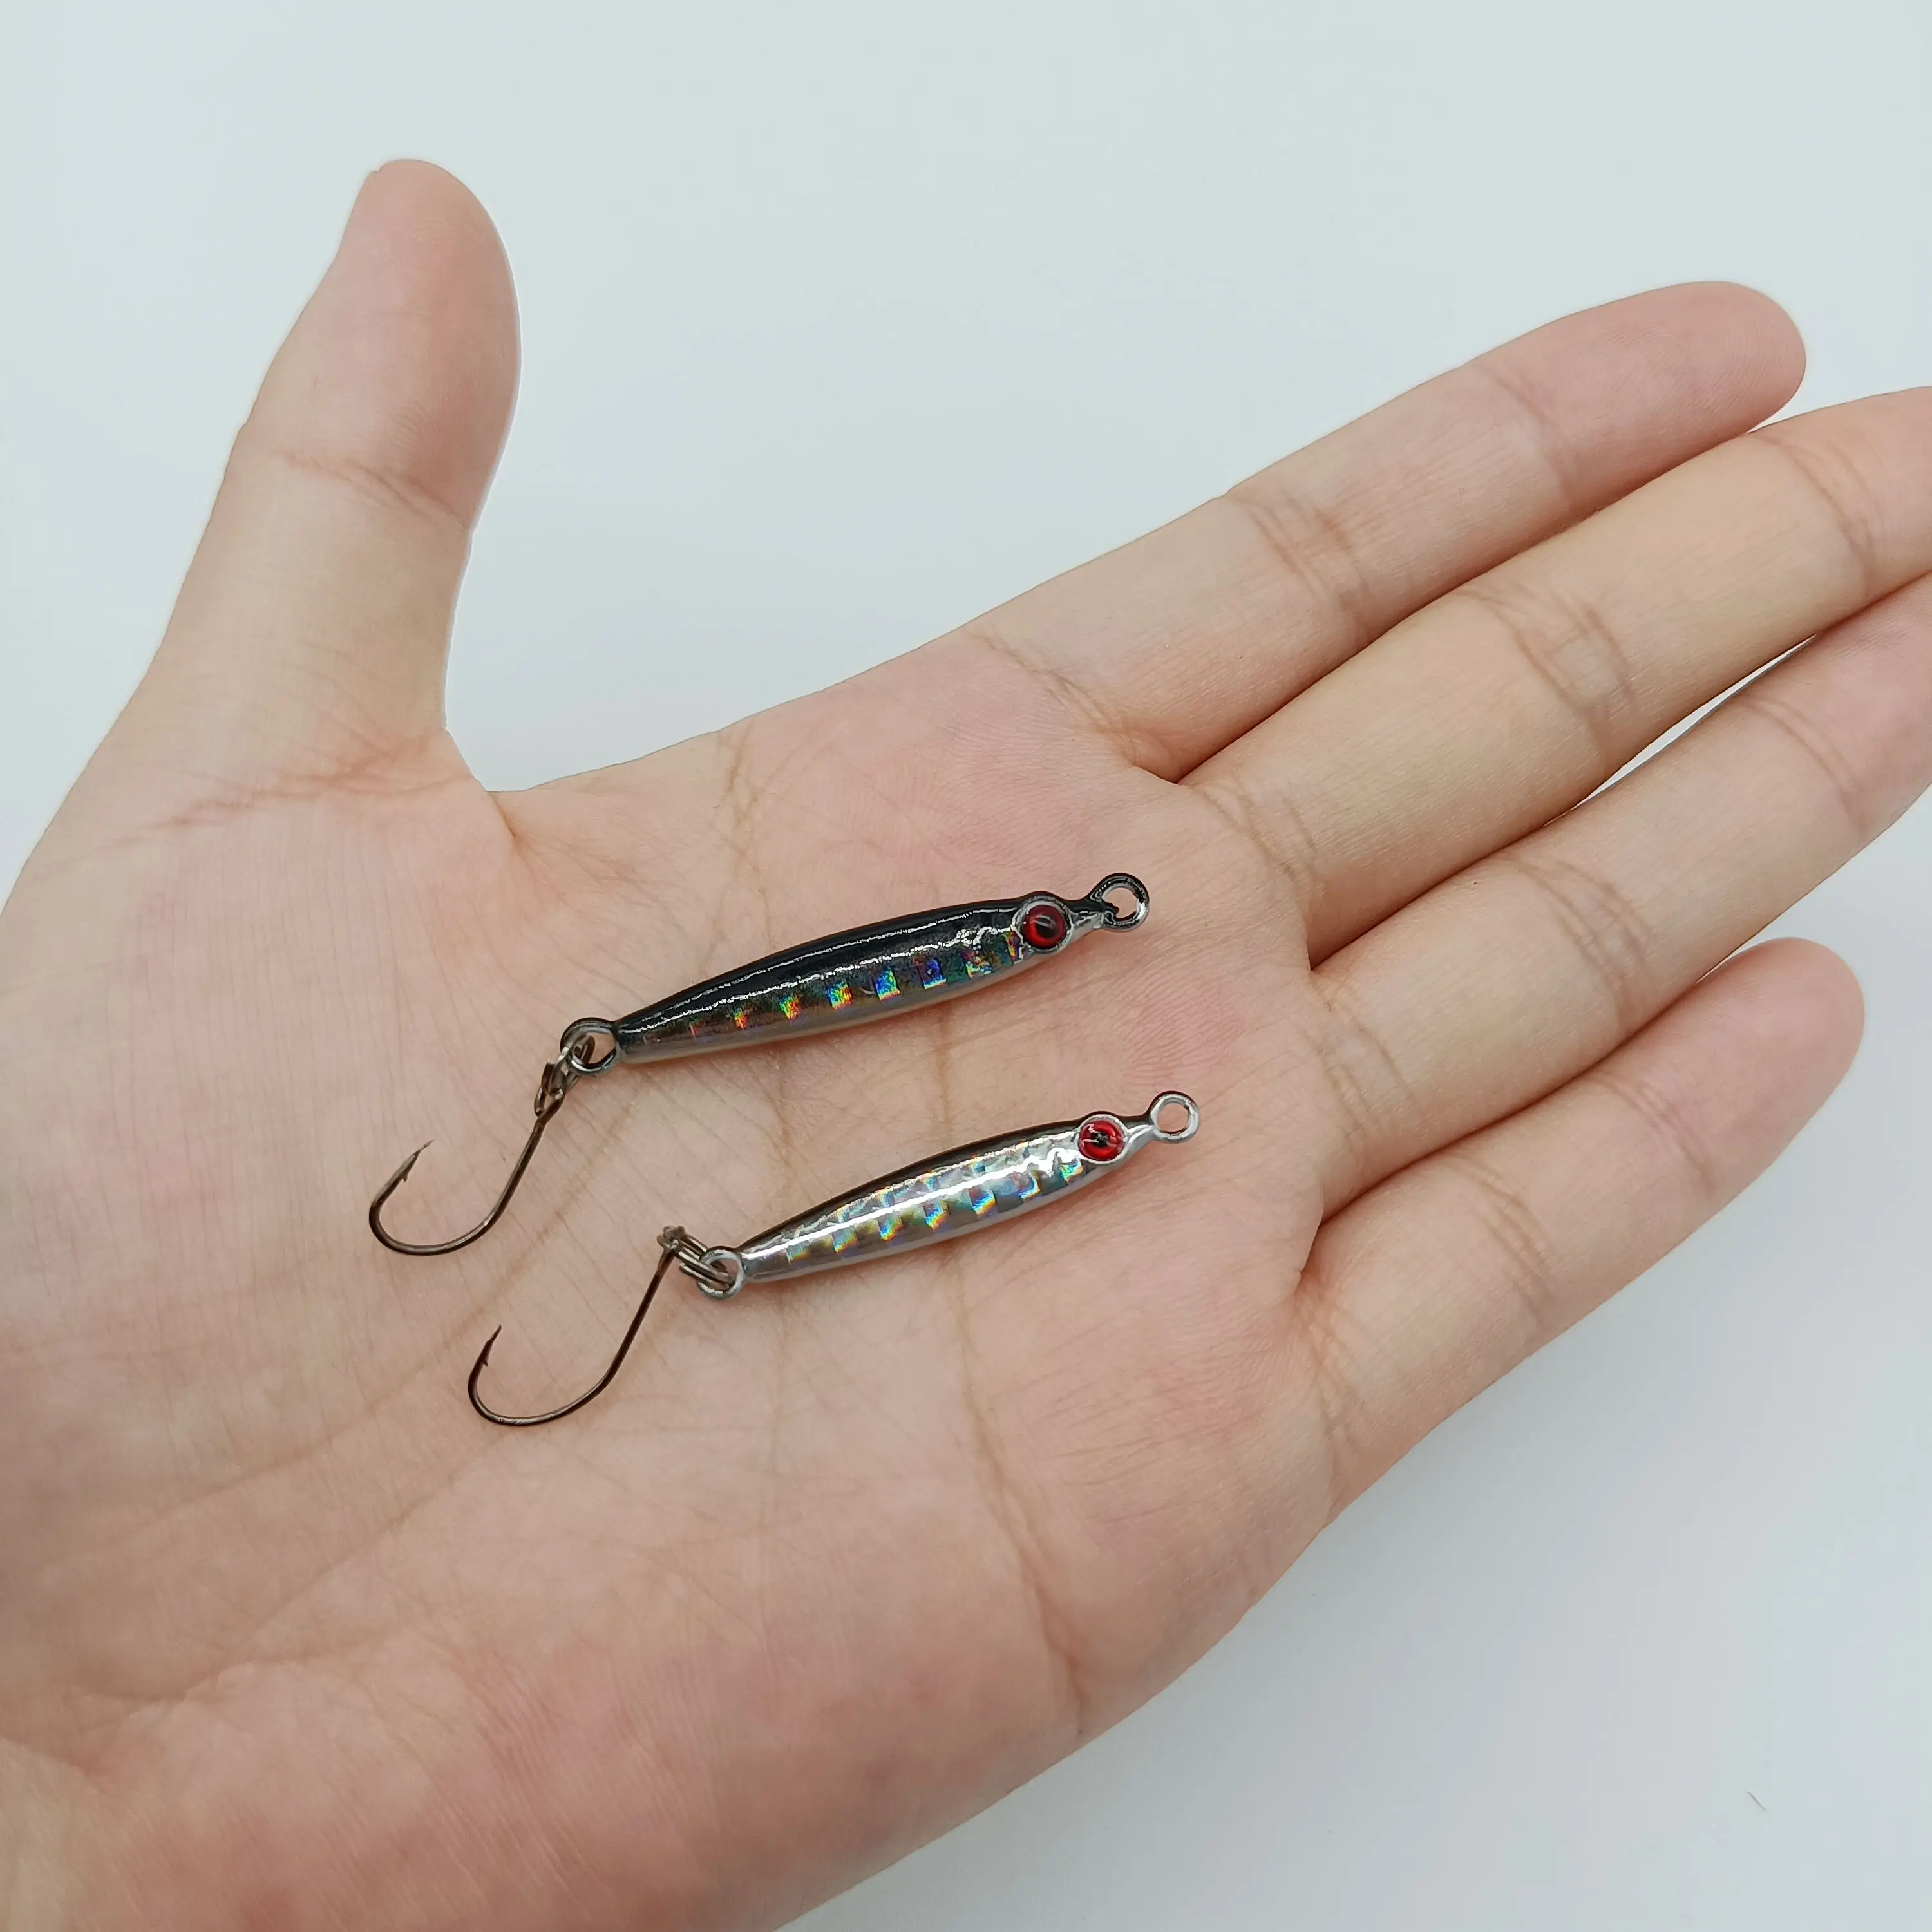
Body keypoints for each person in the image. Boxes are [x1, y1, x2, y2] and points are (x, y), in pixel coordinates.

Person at [3, 160, 1925, 1931]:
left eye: (1054, 943)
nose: (1056, 954)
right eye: (1049, 938)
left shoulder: (1068, 1047)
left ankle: (719, 1222)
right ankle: (687, 1167)